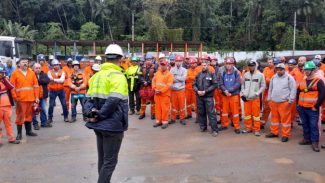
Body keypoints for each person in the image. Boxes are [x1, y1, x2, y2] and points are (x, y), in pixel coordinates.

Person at [84, 44, 128, 183]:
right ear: (120, 58)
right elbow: (113, 100)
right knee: (110, 162)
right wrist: (100, 115)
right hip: (112, 125)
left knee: (103, 159)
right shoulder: (118, 76)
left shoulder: (96, 76)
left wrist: (92, 114)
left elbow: (88, 99)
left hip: (98, 125)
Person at [296, 61, 325, 152]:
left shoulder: (318, 80)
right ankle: (307, 139)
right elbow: (298, 92)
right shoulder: (303, 80)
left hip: (312, 108)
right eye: (305, 70)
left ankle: (314, 142)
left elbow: (323, 94)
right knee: (305, 124)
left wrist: (316, 106)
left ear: (313, 70)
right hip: (302, 107)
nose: (306, 71)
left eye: (308, 70)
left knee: (313, 125)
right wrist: (297, 104)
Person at [265, 63, 296, 142]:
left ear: (284, 70)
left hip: (284, 102)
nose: (279, 71)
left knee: (285, 120)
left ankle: (285, 135)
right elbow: (270, 88)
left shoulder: (289, 78)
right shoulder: (273, 77)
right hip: (274, 102)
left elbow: (293, 89)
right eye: (277, 69)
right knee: (274, 119)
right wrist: (269, 98)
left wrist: (290, 100)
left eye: (281, 69)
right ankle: (274, 132)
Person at [10, 58, 39, 140]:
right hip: (20, 99)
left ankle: (28, 131)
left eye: (26, 62)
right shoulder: (15, 73)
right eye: (23, 62)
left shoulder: (32, 73)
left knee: (29, 115)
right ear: (19, 64)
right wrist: (15, 97)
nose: (25, 64)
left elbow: (36, 86)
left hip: (30, 99)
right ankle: (19, 134)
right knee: (20, 116)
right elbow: (12, 87)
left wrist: (36, 97)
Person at [240, 60, 266, 136]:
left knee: (256, 116)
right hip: (246, 98)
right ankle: (248, 128)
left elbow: (263, 86)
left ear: (255, 66)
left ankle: (257, 130)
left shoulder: (260, 75)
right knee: (247, 115)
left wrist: (257, 93)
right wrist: (243, 93)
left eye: (252, 65)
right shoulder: (245, 74)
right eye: (250, 66)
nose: (251, 67)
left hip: (255, 99)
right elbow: (242, 84)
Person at [193, 61, 219, 136]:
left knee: (211, 113)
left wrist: (205, 91)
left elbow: (215, 84)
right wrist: (197, 91)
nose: (203, 66)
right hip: (199, 97)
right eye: (202, 65)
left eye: (205, 65)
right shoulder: (198, 75)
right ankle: (203, 127)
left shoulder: (211, 74)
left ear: (208, 66)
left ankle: (214, 130)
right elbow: (194, 84)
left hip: (208, 97)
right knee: (201, 113)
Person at [219, 57, 242, 134]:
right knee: (224, 111)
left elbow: (238, 84)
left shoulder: (237, 73)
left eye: (230, 64)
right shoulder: (223, 73)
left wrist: (229, 90)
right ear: (225, 64)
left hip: (233, 95)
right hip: (225, 95)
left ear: (233, 64)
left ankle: (237, 127)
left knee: (235, 112)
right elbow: (221, 83)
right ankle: (224, 125)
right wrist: (225, 90)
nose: (228, 65)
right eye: (227, 64)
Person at [0, 64, 20, 146]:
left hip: (7, 106)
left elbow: (11, 86)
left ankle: (11, 138)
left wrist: (4, 78)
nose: (2, 74)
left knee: (8, 124)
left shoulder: (4, 80)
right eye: (1, 73)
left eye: (2, 73)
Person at [152, 59, 174, 129]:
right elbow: (153, 81)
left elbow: (169, 85)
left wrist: (161, 91)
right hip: (157, 94)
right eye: (161, 65)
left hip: (165, 95)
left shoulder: (170, 75)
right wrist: (154, 88)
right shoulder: (157, 73)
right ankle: (158, 121)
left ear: (167, 66)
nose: (162, 66)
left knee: (165, 109)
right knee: (157, 108)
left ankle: (165, 122)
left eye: (164, 65)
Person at [32, 63, 52, 130]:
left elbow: (47, 80)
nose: (38, 69)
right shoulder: (31, 75)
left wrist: (38, 81)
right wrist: (41, 82)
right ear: (33, 68)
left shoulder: (44, 74)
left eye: (39, 68)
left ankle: (44, 123)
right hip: (34, 96)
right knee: (34, 110)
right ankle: (35, 124)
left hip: (42, 95)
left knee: (43, 109)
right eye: (36, 68)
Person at [260, 57, 279, 128]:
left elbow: (269, 80)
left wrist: (268, 81)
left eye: (272, 62)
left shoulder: (281, 72)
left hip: (276, 93)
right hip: (267, 91)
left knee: (275, 111)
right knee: (266, 108)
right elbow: (264, 78)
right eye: (269, 62)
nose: (270, 64)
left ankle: (274, 128)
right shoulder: (267, 69)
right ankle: (262, 123)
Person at [170, 55, 187, 125]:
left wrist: (175, 77)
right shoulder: (172, 69)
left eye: (180, 61)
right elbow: (171, 79)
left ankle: (182, 118)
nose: (178, 62)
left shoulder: (184, 70)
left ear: (182, 62)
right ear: (175, 61)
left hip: (181, 90)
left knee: (182, 105)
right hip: (173, 90)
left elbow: (184, 79)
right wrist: (179, 78)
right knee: (173, 105)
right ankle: (173, 118)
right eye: (177, 61)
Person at [139, 54, 156, 120]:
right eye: (147, 60)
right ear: (145, 60)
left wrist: (148, 82)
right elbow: (139, 76)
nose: (149, 61)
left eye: (150, 60)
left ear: (152, 60)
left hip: (151, 86)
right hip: (143, 86)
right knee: (143, 101)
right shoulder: (142, 67)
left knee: (152, 101)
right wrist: (143, 82)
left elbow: (155, 77)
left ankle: (153, 113)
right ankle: (142, 113)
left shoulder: (155, 67)